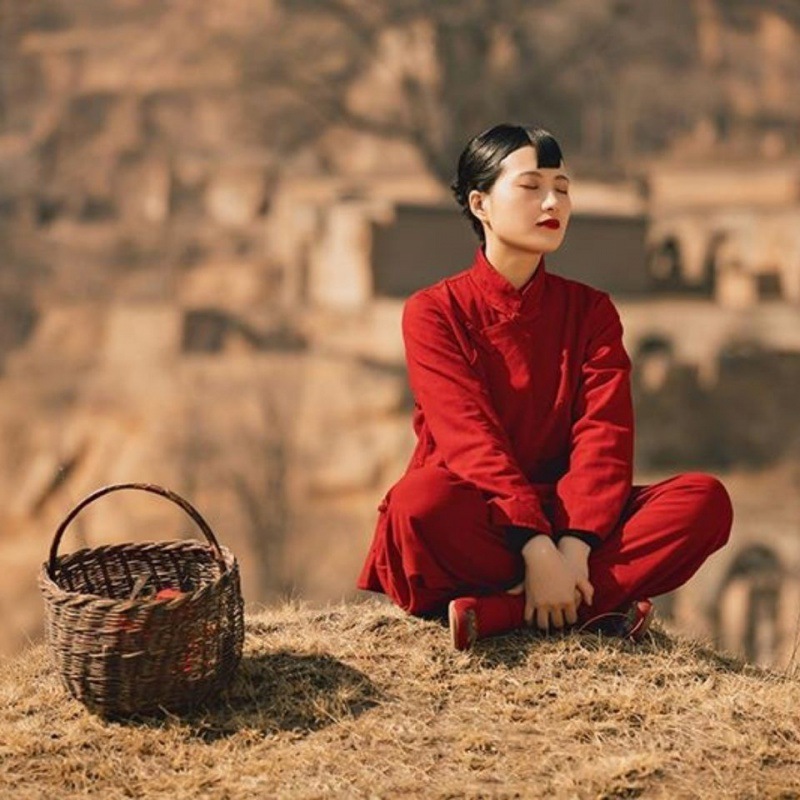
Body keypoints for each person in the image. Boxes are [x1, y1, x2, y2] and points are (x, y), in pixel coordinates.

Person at [356, 123, 733, 649]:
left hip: (572, 517)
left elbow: (605, 435)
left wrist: (574, 545)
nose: (552, 202)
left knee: (705, 502)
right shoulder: (434, 312)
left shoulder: (591, 311)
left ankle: (505, 611)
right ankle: (589, 603)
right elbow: (468, 439)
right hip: (479, 517)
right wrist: (535, 546)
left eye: (563, 186)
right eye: (531, 187)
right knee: (418, 503)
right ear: (481, 204)